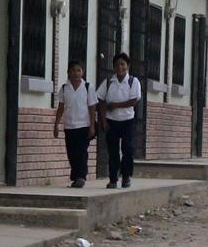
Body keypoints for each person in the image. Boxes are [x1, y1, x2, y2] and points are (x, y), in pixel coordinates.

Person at [97, 52, 142, 188]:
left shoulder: (133, 81)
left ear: (127, 66)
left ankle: (126, 176)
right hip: (112, 121)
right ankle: (113, 179)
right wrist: (103, 120)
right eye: (117, 65)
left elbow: (134, 100)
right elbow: (101, 101)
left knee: (128, 149)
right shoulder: (108, 82)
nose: (120, 67)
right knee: (113, 151)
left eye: (122, 64)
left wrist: (116, 105)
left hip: (127, 120)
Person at [53, 60, 98, 188]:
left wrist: (92, 126)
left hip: (84, 126)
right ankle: (76, 177)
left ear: (82, 72)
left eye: (78, 70)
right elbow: (61, 107)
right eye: (73, 70)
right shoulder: (64, 88)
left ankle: (81, 177)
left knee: (81, 152)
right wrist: (56, 124)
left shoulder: (88, 87)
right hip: (69, 126)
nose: (76, 73)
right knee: (72, 153)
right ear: (68, 72)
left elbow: (92, 107)